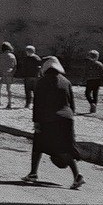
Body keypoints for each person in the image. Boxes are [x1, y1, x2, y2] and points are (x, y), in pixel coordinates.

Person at [24, 56, 85, 188]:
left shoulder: (41, 82)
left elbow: (38, 103)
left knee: (38, 146)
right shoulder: (66, 81)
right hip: (67, 118)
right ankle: (77, 176)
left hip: (49, 119)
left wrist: (36, 121)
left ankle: (33, 173)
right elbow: (72, 104)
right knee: (65, 148)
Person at [16, 44, 42, 108]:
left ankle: (28, 103)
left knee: (28, 91)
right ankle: (36, 104)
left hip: (29, 76)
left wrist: (23, 74)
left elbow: (23, 67)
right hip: (35, 76)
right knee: (34, 91)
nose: (26, 52)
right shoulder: (37, 58)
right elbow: (40, 67)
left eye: (27, 51)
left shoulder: (27, 59)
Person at [0, 41, 17, 108]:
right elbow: (15, 66)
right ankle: (9, 103)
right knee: (8, 89)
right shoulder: (13, 56)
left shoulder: (0, 56)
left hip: (0, 73)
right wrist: (12, 73)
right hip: (9, 73)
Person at [84, 49, 103, 114]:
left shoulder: (88, 64)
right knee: (95, 93)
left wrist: (83, 79)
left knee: (87, 93)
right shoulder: (100, 64)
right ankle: (94, 107)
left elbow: (86, 72)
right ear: (97, 57)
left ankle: (91, 103)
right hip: (97, 80)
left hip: (90, 80)